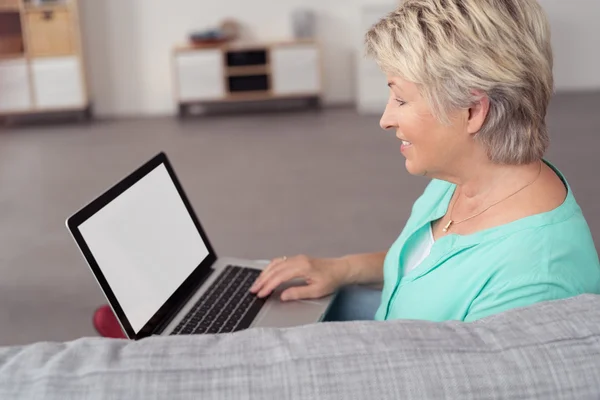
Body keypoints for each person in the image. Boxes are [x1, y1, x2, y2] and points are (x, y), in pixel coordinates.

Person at [250, 0, 600, 322]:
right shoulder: (463, 176)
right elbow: (430, 263)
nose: (385, 119)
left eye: (401, 99)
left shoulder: (533, 283)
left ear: (472, 111)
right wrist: (343, 269)